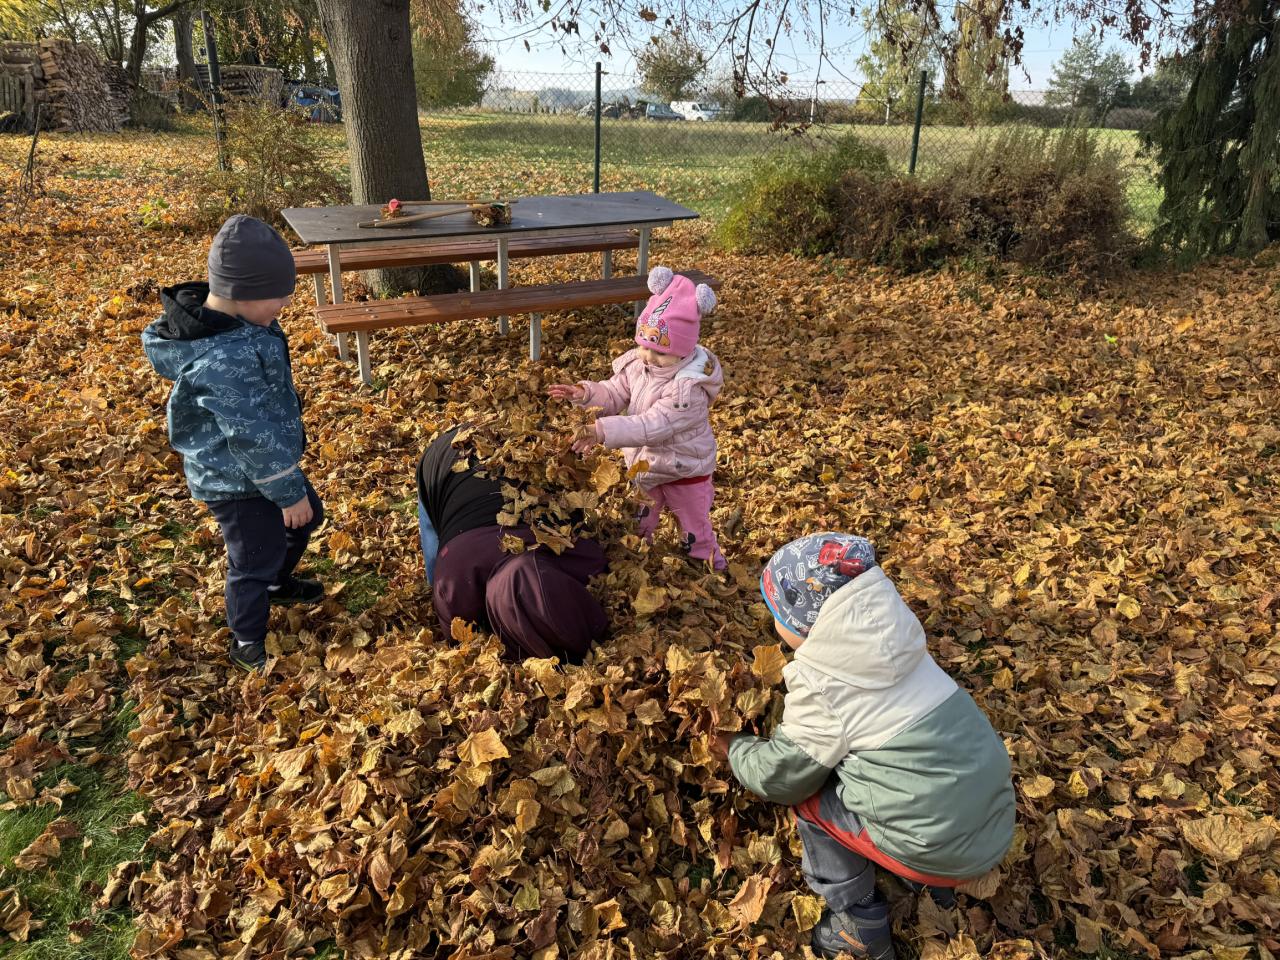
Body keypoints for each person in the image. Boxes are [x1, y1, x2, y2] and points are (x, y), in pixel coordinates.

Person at [715, 534, 1015, 960]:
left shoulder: (823, 680)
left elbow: (781, 778)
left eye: (775, 613)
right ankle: (931, 884)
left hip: (938, 849)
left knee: (810, 797)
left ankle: (858, 922)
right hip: (994, 824)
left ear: (801, 620)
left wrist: (735, 747)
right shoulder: (901, 640)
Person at [141, 214, 325, 673]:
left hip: (263, 469)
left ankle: (277, 584)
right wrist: (288, 492)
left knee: (307, 518)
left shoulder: (243, 326)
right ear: (243, 293)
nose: (285, 304)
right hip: (234, 480)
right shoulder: (222, 357)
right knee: (253, 560)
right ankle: (246, 641)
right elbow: (248, 433)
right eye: (279, 297)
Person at [548, 266, 726, 570]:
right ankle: (637, 555)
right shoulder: (639, 366)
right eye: (643, 346)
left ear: (684, 351)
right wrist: (585, 393)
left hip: (685, 470)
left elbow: (652, 426)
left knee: (693, 527)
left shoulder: (688, 390)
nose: (649, 356)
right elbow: (614, 392)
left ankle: (710, 564)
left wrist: (601, 430)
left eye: (660, 353)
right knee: (638, 518)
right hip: (646, 466)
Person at [417, 427, 608, 662]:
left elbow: (573, 509)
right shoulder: (454, 583)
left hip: (518, 442)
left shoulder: (581, 556)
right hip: (450, 454)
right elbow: (457, 639)